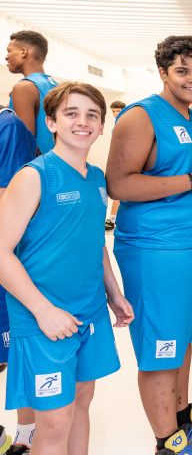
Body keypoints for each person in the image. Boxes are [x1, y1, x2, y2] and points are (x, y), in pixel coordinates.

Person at [106, 36, 192, 453]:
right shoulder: (140, 117)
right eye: (181, 71)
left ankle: (180, 419)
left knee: (183, 340)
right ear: (162, 73)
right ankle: (166, 442)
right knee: (161, 349)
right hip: (157, 250)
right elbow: (119, 184)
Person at [0, 82, 133, 454]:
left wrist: (114, 293)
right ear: (52, 122)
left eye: (92, 115)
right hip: (43, 317)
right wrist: (44, 312)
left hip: (88, 310)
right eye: (71, 113)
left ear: (102, 125)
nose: (82, 122)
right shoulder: (34, 176)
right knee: (55, 421)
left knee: (81, 402)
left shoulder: (96, 178)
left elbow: (93, 242)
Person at [0, 107, 38, 455]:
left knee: (16, 350)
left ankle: (28, 433)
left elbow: (9, 201)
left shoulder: (7, 125)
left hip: (8, 256)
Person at [6, 31, 58, 153]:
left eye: (9, 51)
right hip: (59, 161)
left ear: (23, 52)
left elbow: (25, 144)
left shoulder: (24, 87)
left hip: (36, 163)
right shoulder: (57, 86)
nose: (6, 57)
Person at [104, 101, 126, 231]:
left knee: (118, 190)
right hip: (117, 160)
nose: (116, 113)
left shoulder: (127, 123)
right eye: (114, 111)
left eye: (118, 111)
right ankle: (110, 218)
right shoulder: (116, 124)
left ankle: (112, 219)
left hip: (125, 161)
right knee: (110, 189)